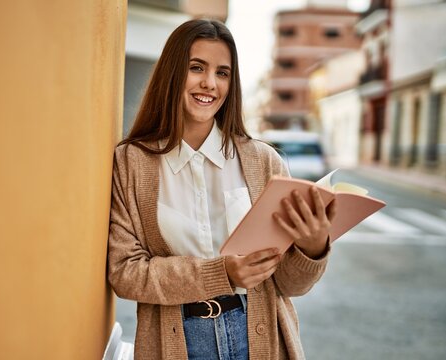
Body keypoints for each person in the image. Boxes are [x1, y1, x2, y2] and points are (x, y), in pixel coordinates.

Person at [107, 19, 336, 360]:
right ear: (172, 73)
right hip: (177, 343)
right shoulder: (132, 162)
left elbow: (290, 285)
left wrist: (313, 248)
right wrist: (222, 273)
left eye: (223, 72)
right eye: (196, 68)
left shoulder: (264, 161)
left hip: (259, 340)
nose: (210, 84)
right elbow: (125, 272)